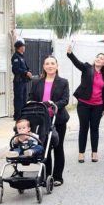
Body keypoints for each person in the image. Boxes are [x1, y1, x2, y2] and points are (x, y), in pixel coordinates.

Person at [28, 56, 70, 186]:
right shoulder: (36, 82)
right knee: (44, 147)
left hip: (58, 119)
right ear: (44, 66)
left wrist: (52, 104)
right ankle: (46, 176)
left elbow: (65, 100)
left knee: (58, 147)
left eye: (52, 63)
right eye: (47, 64)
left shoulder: (63, 82)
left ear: (57, 66)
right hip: (42, 120)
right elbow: (31, 97)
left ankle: (57, 177)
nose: (50, 66)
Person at [67, 44, 104, 163]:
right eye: (97, 57)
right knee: (83, 128)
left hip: (98, 106)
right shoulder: (87, 68)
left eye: (101, 58)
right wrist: (70, 54)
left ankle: (94, 153)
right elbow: (77, 63)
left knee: (94, 129)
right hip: (84, 104)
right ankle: (81, 153)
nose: (98, 59)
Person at [11, 40, 32, 120]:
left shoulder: (22, 56)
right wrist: (25, 72)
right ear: (19, 48)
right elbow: (16, 69)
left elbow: (26, 67)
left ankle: (23, 115)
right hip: (18, 81)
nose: (24, 47)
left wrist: (28, 71)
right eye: (23, 46)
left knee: (24, 98)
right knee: (18, 98)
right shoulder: (16, 57)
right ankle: (17, 116)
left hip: (23, 81)